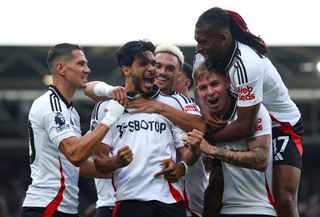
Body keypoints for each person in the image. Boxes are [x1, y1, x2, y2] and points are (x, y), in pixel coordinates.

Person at [194, 7, 304, 217]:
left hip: (279, 123)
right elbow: (200, 88)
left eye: (203, 41)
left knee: (284, 198)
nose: (198, 48)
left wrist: (205, 139)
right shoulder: (203, 57)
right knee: (214, 191)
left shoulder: (246, 63)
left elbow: (246, 126)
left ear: (222, 38)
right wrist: (205, 111)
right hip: (239, 115)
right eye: (197, 40)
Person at [90, 40, 201, 217]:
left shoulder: (171, 104)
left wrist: (188, 158)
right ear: (126, 70)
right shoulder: (107, 107)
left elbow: (189, 154)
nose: (152, 69)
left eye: (153, 63)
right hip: (129, 202)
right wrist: (117, 162)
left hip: (171, 202)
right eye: (143, 64)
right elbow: (100, 160)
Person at [20, 43, 128, 217]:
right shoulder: (50, 105)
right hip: (47, 206)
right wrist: (109, 119)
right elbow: (75, 154)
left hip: (64, 208)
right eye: (80, 64)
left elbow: (81, 166)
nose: (87, 69)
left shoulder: (70, 111)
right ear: (60, 68)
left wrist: (127, 168)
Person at [193, 63, 276, 217]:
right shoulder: (203, 119)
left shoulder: (253, 111)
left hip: (259, 208)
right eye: (203, 88)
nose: (210, 92)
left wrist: (212, 150)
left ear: (227, 81)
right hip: (225, 210)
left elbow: (261, 160)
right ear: (198, 91)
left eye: (214, 84)